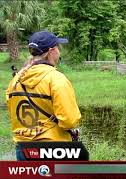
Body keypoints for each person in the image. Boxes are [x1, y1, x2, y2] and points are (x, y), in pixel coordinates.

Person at [6, 31, 81, 161]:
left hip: (23, 148)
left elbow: (12, 108)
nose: (59, 51)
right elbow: (69, 120)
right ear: (51, 51)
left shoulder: (16, 79)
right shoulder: (56, 79)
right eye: (58, 47)